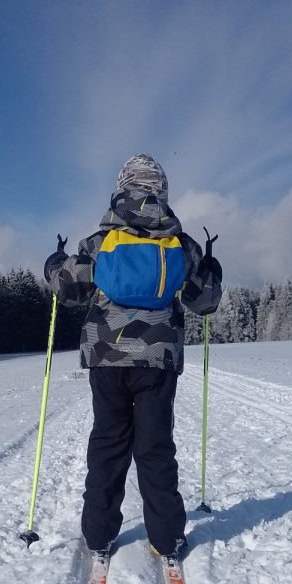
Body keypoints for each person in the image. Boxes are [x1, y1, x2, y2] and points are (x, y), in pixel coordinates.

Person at [44, 153, 222, 560]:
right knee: (155, 446)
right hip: (158, 358)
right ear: (161, 190)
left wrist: (54, 262)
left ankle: (98, 535)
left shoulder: (99, 242)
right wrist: (211, 268)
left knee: (108, 443)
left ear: (121, 188)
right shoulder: (181, 244)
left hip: (106, 357)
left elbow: (67, 289)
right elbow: (205, 301)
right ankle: (167, 538)